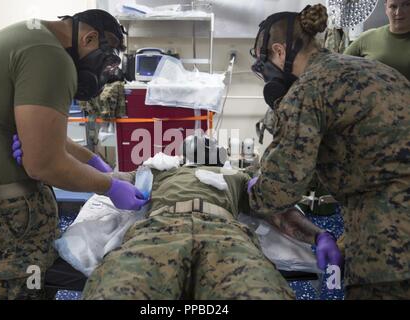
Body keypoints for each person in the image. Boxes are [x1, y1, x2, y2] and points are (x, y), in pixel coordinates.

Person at [0, 9, 148, 300]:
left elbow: (43, 133)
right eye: (106, 54)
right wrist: (109, 186)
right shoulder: (52, 59)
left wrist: (93, 162)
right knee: (27, 290)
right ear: (89, 37)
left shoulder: (29, 36)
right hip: (1, 208)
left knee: (23, 283)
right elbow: (43, 164)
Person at [249, 3, 410, 299]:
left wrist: (254, 189)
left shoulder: (308, 90)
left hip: (390, 251)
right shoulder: (375, 70)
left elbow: (280, 188)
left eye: (266, 64)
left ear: (280, 52)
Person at [77, 146, 342, 300]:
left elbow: (277, 211)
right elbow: (114, 179)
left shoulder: (236, 175)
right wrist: (101, 172)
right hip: (158, 229)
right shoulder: (161, 169)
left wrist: (319, 236)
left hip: (225, 234)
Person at [344, 0, 410, 81]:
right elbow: (340, 66)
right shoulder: (367, 37)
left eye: (406, 5)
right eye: (393, 6)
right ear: (386, 8)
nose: (398, 12)